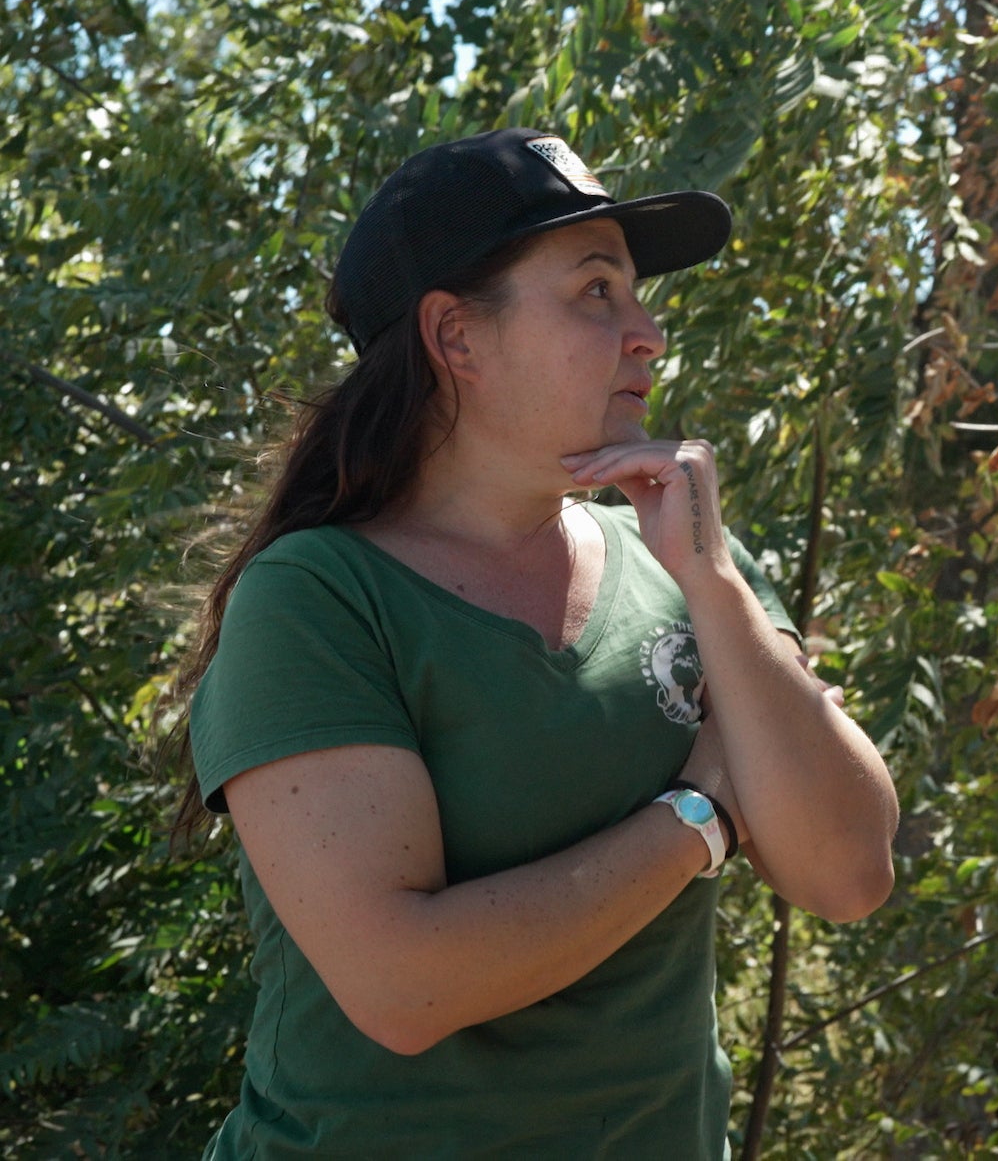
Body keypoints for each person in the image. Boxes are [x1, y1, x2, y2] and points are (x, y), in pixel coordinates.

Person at [163, 129, 899, 1157]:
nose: (648, 334)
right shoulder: (318, 597)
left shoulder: (686, 564)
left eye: (637, 296)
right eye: (597, 292)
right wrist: (704, 813)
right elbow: (404, 986)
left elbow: (849, 873)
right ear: (456, 339)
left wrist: (716, 582)